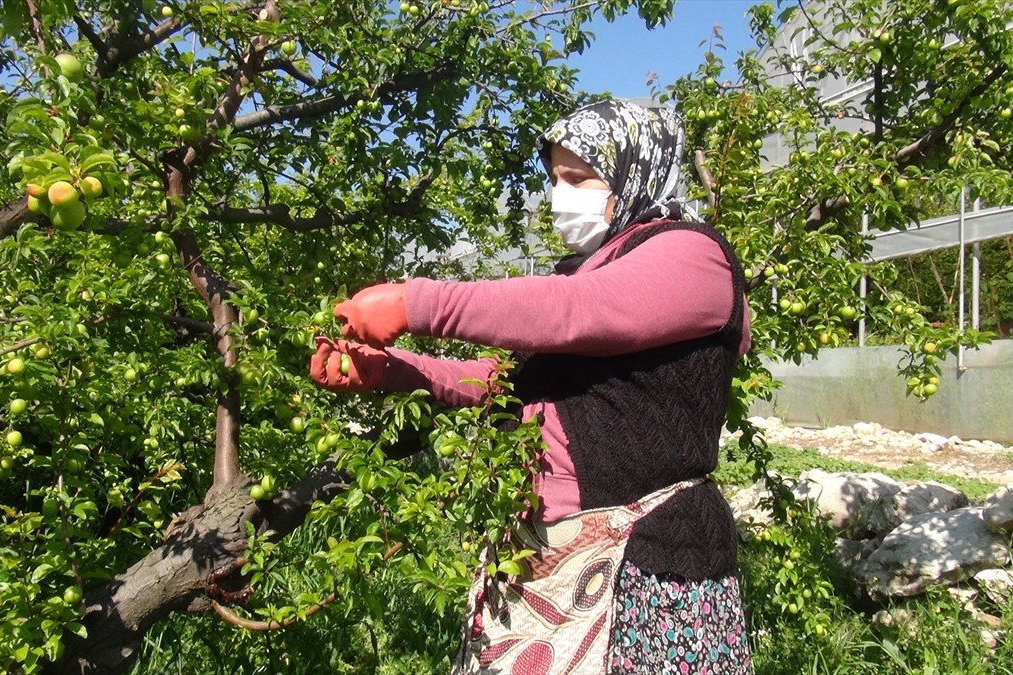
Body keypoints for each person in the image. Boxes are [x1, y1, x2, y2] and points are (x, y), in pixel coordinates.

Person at [309, 99, 753, 674]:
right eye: (553, 178)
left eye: (578, 177)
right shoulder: (590, 266)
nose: (559, 195)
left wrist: (416, 302)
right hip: (544, 553)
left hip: (649, 561)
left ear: (633, 170)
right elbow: (511, 385)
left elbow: (580, 311)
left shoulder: (692, 255)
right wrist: (395, 370)